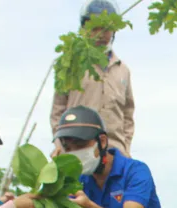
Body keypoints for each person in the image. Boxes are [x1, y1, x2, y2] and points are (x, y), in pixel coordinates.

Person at [51, 0, 135, 157]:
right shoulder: (69, 63)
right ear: (84, 29)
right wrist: (60, 147)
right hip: (77, 150)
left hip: (115, 153)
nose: (100, 34)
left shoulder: (123, 70)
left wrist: (125, 148)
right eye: (94, 28)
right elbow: (58, 111)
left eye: (106, 29)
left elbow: (128, 115)